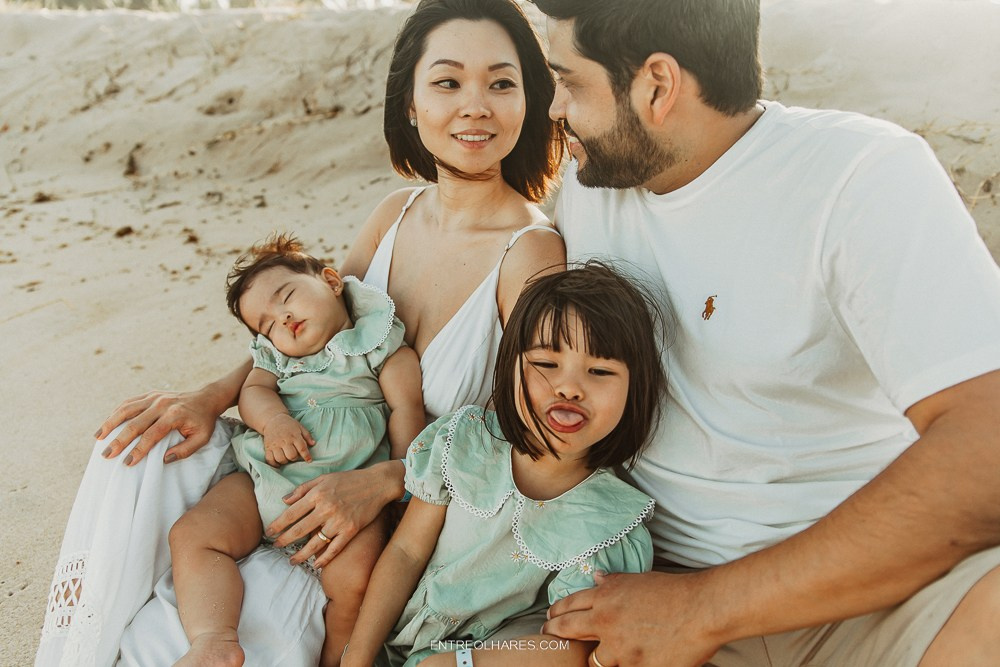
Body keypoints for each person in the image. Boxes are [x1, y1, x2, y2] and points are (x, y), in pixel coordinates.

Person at [36, 0, 564, 664]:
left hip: (398, 526)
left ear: (530, 99)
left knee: (191, 642)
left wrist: (385, 481)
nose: (476, 105)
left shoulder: (533, 251)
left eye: (502, 82)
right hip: (299, 469)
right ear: (409, 104)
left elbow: (529, 439)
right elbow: (300, 343)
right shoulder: (393, 214)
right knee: (140, 444)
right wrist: (207, 396)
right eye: (449, 81)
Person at [529, 1, 1000, 666]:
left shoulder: (860, 174)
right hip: (644, 589)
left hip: (870, 600)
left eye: (571, 83)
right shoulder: (594, 184)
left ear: (657, 86)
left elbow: (988, 449)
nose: (555, 109)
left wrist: (704, 608)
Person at [343, 263, 666, 667]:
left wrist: (460, 664)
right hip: (392, 644)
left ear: (636, 391)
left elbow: (570, 648)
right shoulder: (464, 442)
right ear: (510, 365)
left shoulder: (605, 523)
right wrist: (356, 656)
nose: (568, 386)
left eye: (600, 371)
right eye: (546, 364)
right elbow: (406, 553)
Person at [169, 234, 425, 666]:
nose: (281, 319)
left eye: (286, 297)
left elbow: (407, 409)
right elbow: (252, 392)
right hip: (266, 479)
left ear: (331, 281)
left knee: (357, 583)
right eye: (266, 325)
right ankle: (213, 638)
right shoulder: (277, 360)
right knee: (194, 534)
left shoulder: (378, 348)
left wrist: (402, 484)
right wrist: (273, 421)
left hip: (348, 499)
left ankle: (334, 660)